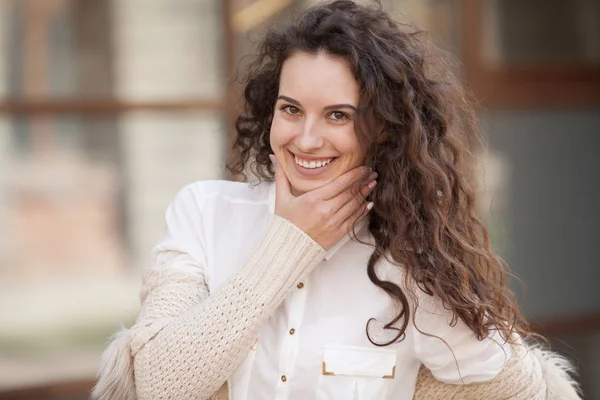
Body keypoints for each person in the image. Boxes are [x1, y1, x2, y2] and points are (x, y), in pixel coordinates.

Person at [91, 1, 581, 399]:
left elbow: (518, 386)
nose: (305, 140)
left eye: (338, 115)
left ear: (385, 129)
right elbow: (156, 385)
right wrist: (290, 242)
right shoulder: (203, 211)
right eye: (291, 109)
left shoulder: (410, 258)